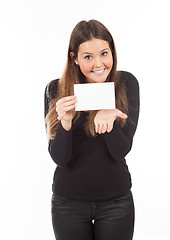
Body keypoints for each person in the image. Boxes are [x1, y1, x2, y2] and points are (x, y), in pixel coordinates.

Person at [44, 19, 140, 240]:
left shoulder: (126, 83)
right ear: (74, 58)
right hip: (68, 204)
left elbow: (120, 151)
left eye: (104, 53)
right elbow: (60, 158)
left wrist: (108, 116)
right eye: (88, 57)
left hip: (116, 203)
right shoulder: (55, 89)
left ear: (112, 53)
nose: (99, 64)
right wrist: (65, 123)